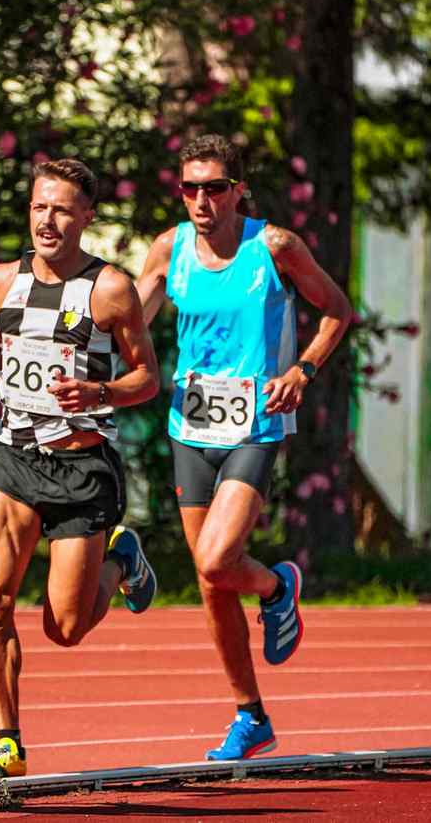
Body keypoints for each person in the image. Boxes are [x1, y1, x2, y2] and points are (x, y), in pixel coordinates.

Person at [0, 158, 161, 780]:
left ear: (86, 217)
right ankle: (8, 743)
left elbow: (146, 377)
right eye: (39, 207)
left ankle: (122, 560)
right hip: (14, 461)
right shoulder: (2, 280)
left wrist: (99, 392)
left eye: (61, 209)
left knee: (65, 628)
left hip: (82, 470)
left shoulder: (110, 290)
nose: (47, 221)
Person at [131, 134, 352, 761]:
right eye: (190, 188)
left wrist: (302, 371)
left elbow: (336, 310)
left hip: (255, 425)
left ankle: (277, 588)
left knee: (214, 560)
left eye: (215, 188)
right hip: (190, 428)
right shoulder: (170, 248)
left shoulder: (274, 248)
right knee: (212, 582)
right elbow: (132, 316)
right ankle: (250, 715)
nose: (202, 200)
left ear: (238, 190)